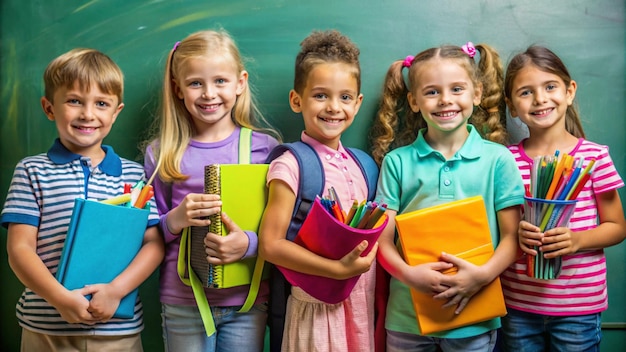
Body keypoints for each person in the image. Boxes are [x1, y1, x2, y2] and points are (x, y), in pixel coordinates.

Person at [1, 48, 164, 351]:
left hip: (118, 328)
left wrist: (116, 291)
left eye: (101, 104)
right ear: (49, 108)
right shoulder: (31, 170)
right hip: (46, 327)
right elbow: (20, 249)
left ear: (116, 112)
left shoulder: (135, 175)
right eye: (74, 101)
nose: (88, 114)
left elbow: (153, 244)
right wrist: (60, 298)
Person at [370, 42, 525, 352]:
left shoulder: (498, 160)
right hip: (407, 316)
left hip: (474, 313)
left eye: (457, 89)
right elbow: (381, 240)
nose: (445, 100)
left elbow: (513, 238)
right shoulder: (397, 162)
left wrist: (480, 277)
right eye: (431, 92)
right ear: (413, 101)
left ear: (476, 94)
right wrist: (410, 276)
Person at [143, 29, 280, 352]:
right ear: (178, 88)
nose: (208, 94)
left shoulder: (265, 149)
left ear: (240, 82)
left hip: (247, 302)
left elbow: (283, 230)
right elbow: (149, 232)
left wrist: (249, 243)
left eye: (220, 81)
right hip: (184, 301)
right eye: (195, 83)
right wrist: (176, 219)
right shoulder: (162, 153)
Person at [258, 30, 378, 352]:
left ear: (358, 103)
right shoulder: (291, 165)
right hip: (315, 313)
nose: (333, 107)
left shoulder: (364, 165)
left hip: (359, 310)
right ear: (297, 100)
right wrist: (337, 270)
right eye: (321, 95)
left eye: (345, 97)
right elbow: (270, 245)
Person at [500, 45, 626, 352]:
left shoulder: (595, 157)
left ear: (569, 92)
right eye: (526, 92)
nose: (540, 99)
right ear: (511, 105)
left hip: (578, 308)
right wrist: (516, 233)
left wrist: (578, 240)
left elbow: (618, 227)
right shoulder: (504, 161)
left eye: (550, 86)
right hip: (518, 305)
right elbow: (499, 227)